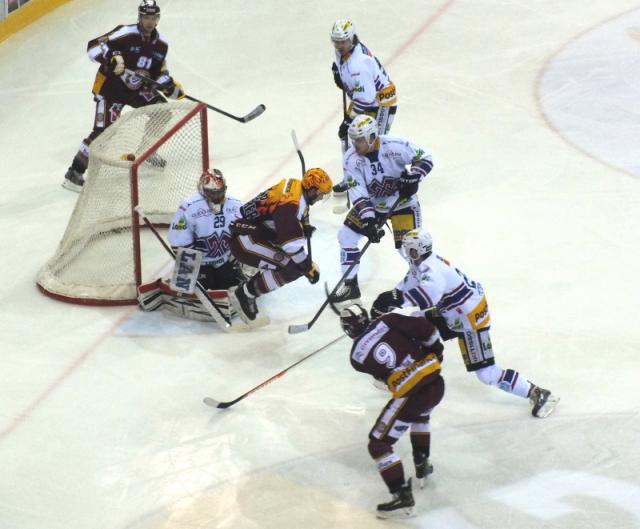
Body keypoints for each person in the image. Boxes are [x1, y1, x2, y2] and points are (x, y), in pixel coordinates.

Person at [371, 228, 560, 418]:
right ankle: (404, 374)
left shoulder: (432, 270)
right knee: (416, 323)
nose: (405, 251)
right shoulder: (421, 265)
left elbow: (428, 296)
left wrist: (397, 300)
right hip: (454, 313)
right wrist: (388, 301)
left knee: (487, 374)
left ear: (415, 250)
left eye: (408, 248)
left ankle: (539, 393)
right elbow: (407, 285)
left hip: (469, 318)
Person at [63, 0, 185, 192]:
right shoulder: (125, 33)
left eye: (153, 18)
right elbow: (92, 48)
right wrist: (111, 57)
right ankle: (74, 173)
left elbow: (158, 72)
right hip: (111, 89)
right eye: (146, 17)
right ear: (140, 17)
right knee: (102, 132)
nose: (149, 22)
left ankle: (146, 151)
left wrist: (168, 85)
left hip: (136, 89)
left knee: (161, 111)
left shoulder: (161, 45)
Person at [340, 304, 445, 519]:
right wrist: (435, 350)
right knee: (421, 413)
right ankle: (421, 460)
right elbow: (425, 328)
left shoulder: (356, 358)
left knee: (378, 444)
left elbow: (383, 378)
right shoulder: (387, 319)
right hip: (436, 383)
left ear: (347, 329)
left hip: (412, 395)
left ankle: (401, 495)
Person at [328, 114, 434, 305]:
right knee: (346, 236)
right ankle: (350, 285)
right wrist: (369, 221)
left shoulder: (394, 146)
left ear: (372, 137)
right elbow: (358, 192)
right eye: (353, 140)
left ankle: (428, 286)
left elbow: (425, 157)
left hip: (403, 204)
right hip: (374, 205)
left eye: (359, 140)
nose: (355, 144)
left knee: (409, 248)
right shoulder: (351, 159)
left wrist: (414, 177)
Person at [137, 169, 244, 322]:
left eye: (220, 192)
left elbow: (242, 234)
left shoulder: (235, 205)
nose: (217, 197)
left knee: (229, 284)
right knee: (201, 287)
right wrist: (189, 271)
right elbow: (178, 240)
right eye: (213, 193)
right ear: (202, 190)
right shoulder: (189, 206)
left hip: (223, 259)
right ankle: (178, 288)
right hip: (200, 262)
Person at [228, 168, 333, 323]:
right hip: (244, 238)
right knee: (293, 267)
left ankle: (249, 286)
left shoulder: (296, 186)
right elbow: (290, 246)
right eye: (320, 194)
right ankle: (245, 293)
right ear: (311, 190)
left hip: (251, 230)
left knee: (293, 263)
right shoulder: (290, 206)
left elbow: (294, 214)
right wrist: (307, 267)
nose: (320, 198)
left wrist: (303, 226)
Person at [330, 19, 398, 194]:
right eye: (336, 41)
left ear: (351, 38)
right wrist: (340, 75)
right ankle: (351, 177)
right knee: (348, 137)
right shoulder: (345, 50)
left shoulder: (358, 64)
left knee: (372, 141)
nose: (339, 45)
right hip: (365, 98)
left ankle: (384, 179)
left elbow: (365, 100)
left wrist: (348, 120)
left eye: (342, 41)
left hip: (381, 103)